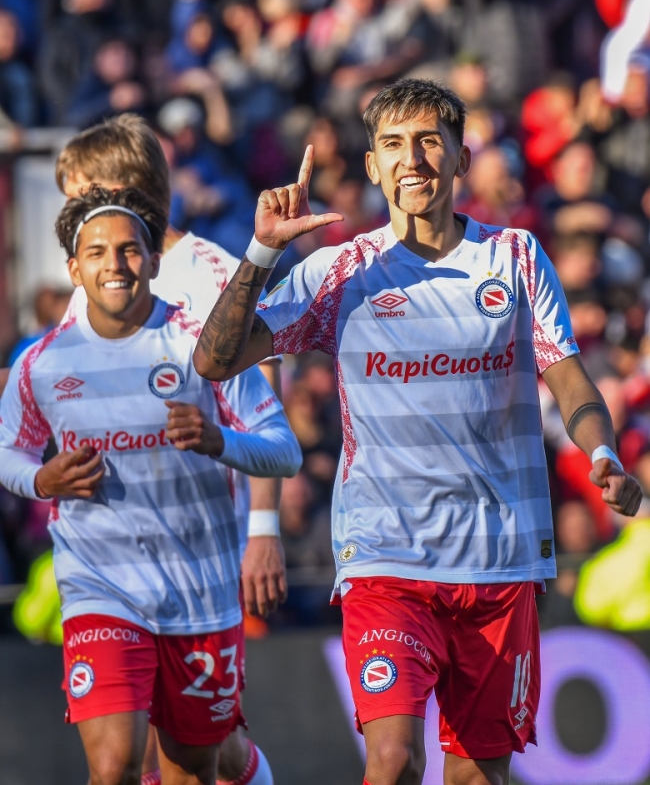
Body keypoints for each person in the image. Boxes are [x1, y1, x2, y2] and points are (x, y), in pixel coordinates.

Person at [191, 78, 643, 785]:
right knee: (394, 760)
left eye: (431, 141)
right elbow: (213, 360)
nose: (414, 160)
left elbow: (568, 376)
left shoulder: (517, 257)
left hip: (498, 562)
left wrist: (603, 450)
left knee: (474, 776)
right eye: (394, 145)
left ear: (461, 157)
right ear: (372, 165)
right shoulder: (342, 271)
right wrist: (260, 251)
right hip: (386, 560)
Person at [0, 185, 301, 785]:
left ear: (155, 262)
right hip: (100, 588)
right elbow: (9, 452)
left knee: (192, 768)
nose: (115, 264)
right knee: (112, 766)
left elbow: (285, 450)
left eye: (129, 250)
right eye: (97, 253)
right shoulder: (43, 363)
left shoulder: (203, 348)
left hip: (199, 592)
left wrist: (220, 441)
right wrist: (41, 478)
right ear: (74, 269)